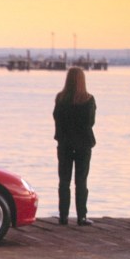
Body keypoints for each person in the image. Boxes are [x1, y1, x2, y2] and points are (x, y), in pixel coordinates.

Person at [53, 67, 96, 226]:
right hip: (83, 145)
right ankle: (81, 217)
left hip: (65, 144)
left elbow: (57, 119)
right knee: (81, 180)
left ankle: (63, 216)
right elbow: (90, 122)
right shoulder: (88, 99)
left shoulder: (60, 98)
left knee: (64, 180)